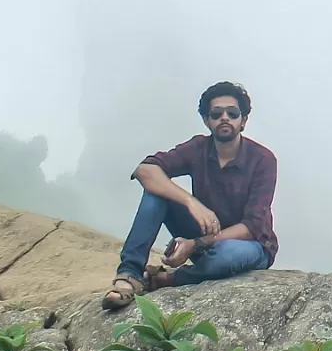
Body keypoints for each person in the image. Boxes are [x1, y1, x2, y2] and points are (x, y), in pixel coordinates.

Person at [101, 80, 277, 311]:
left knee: (226, 254)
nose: (224, 118)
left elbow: (252, 225)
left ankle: (168, 279)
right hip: (204, 236)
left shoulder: (262, 160)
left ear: (243, 121)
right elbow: (145, 169)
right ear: (207, 120)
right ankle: (129, 276)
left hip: (249, 245)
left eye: (232, 113)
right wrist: (190, 202)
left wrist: (194, 244)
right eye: (216, 113)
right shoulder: (199, 148)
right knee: (156, 193)